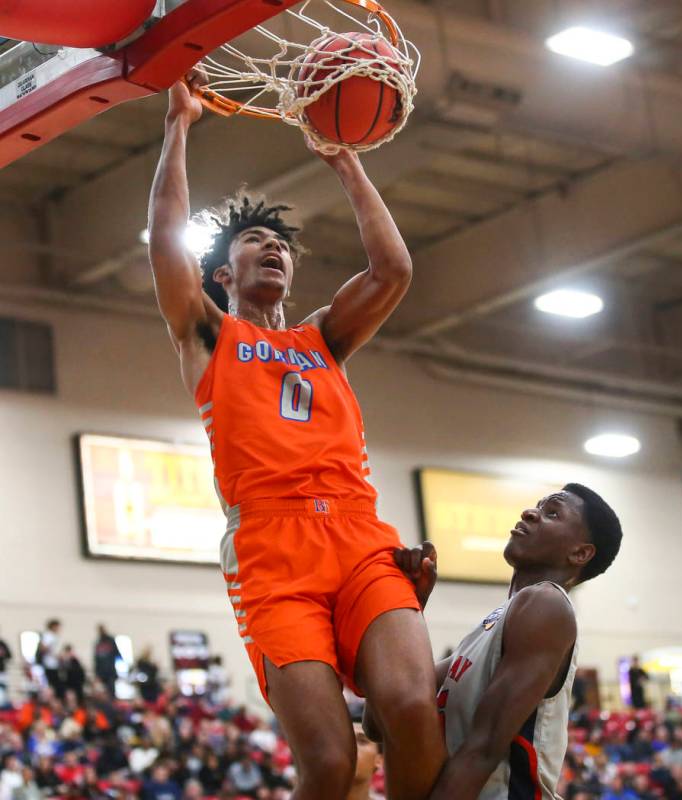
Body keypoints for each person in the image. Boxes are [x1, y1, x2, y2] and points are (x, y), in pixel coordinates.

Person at [147, 73, 445, 800]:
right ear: (223, 271)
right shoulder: (209, 334)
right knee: (330, 763)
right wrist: (178, 126)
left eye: (282, 244)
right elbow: (163, 237)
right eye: (255, 240)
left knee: (412, 710)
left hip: (359, 534)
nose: (273, 249)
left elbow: (393, 269)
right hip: (271, 550)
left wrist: (345, 160)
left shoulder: (323, 339)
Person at [376, 483, 623, 800]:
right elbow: (382, 715)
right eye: (537, 506)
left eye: (552, 513)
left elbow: (484, 748)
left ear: (580, 553)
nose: (530, 512)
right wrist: (408, 606)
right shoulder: (489, 628)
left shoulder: (547, 605)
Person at [93, 625, 122, 698]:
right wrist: (97, 674)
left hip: (110, 672)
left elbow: (118, 654)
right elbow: (96, 660)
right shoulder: (98, 643)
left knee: (111, 692)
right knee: (103, 693)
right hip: (102, 673)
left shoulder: (110, 641)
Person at [37, 620, 63, 699]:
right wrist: (53, 654)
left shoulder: (53, 636)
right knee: (54, 684)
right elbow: (42, 647)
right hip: (49, 664)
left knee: (55, 684)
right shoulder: (49, 635)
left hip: (53, 664)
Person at [0, 632, 11, 705]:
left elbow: (10, 656)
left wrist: (3, 653)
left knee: (3, 690)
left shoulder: (2, 643)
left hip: (2, 671)